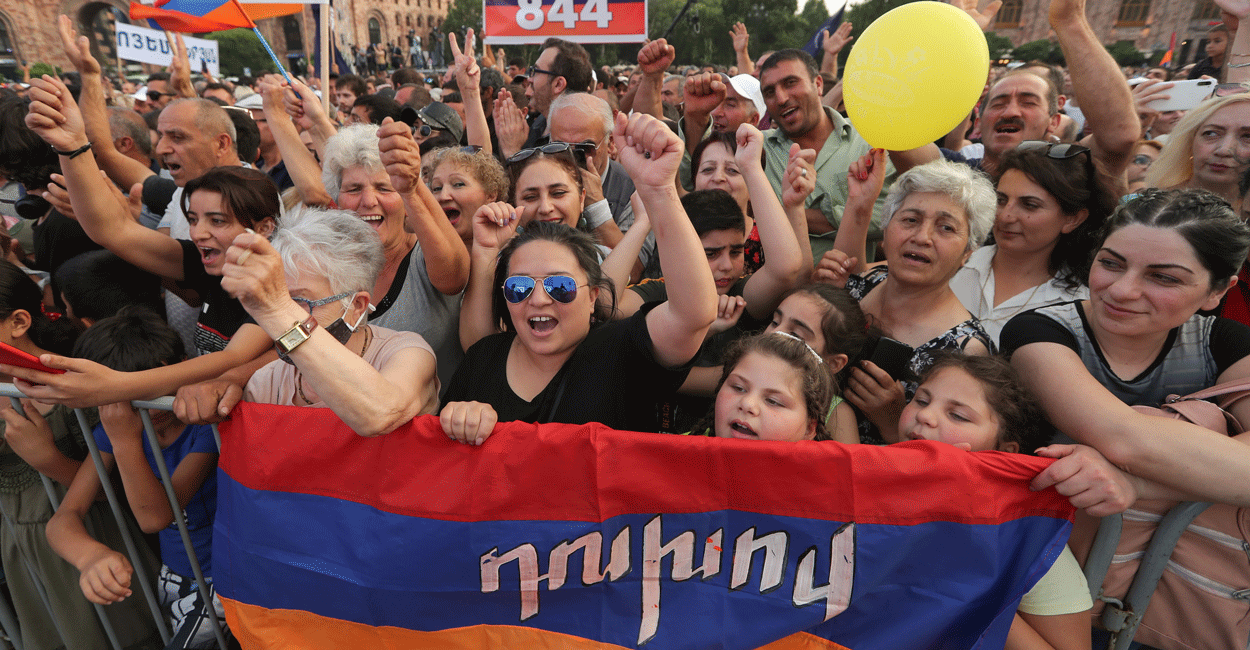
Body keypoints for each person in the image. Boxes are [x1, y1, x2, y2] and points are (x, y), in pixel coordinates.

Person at [441, 113, 717, 442]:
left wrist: (659, 191)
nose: (538, 299)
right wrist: (460, 417)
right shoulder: (483, 360)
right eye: (519, 287)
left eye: (560, 286)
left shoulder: (622, 351)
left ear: (592, 296)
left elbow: (693, 315)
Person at [1002, 188, 1250, 509]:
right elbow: (1125, 440)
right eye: (1111, 263)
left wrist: (1137, 484)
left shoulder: (1227, 342)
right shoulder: (1038, 331)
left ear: (1217, 291)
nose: (1121, 290)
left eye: (1163, 277)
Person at [47, 307, 227, 648]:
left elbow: (156, 517)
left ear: (181, 366)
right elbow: (63, 519)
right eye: (128, 397)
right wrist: (90, 557)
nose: (147, 406)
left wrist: (125, 442)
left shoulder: (205, 427)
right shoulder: (118, 429)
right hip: (175, 575)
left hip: (222, 577)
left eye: (152, 387)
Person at [0, 261, 157, 650]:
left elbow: (121, 491)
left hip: (100, 541)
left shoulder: (78, 390)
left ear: (18, 322)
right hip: (25, 555)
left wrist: (47, 460)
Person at [898, 354, 1095, 650]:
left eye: (958, 415)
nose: (925, 415)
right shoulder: (861, 484)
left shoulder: (1027, 537)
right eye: (921, 400)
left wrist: (972, 591)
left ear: (1004, 450)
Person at [822, 158, 996, 444]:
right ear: (886, 228)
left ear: (968, 252)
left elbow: (948, 463)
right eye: (911, 220)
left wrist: (894, 422)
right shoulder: (860, 283)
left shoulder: (967, 350)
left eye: (946, 228)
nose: (922, 237)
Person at [223, 208, 440, 434]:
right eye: (279, 297)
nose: (285, 316)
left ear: (357, 306)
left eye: (300, 301)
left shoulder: (406, 353)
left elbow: (382, 414)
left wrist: (279, 308)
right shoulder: (266, 382)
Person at [950, 141, 1117, 344]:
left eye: (1029, 205)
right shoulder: (953, 263)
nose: (1006, 216)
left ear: (1073, 219)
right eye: (1001, 200)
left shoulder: (1080, 304)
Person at [692, 332, 836, 441]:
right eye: (738, 388)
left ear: (809, 429)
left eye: (773, 401)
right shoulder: (679, 458)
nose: (747, 404)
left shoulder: (820, 474)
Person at [1142, 93, 1250, 209]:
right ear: (1190, 140)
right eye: (1211, 133)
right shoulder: (1141, 205)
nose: (1223, 150)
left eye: (1247, 137)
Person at [426, 146, 509, 246]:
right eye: (437, 188)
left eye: (458, 184)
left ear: (490, 194)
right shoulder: (422, 247)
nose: (443, 196)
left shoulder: (516, 249)